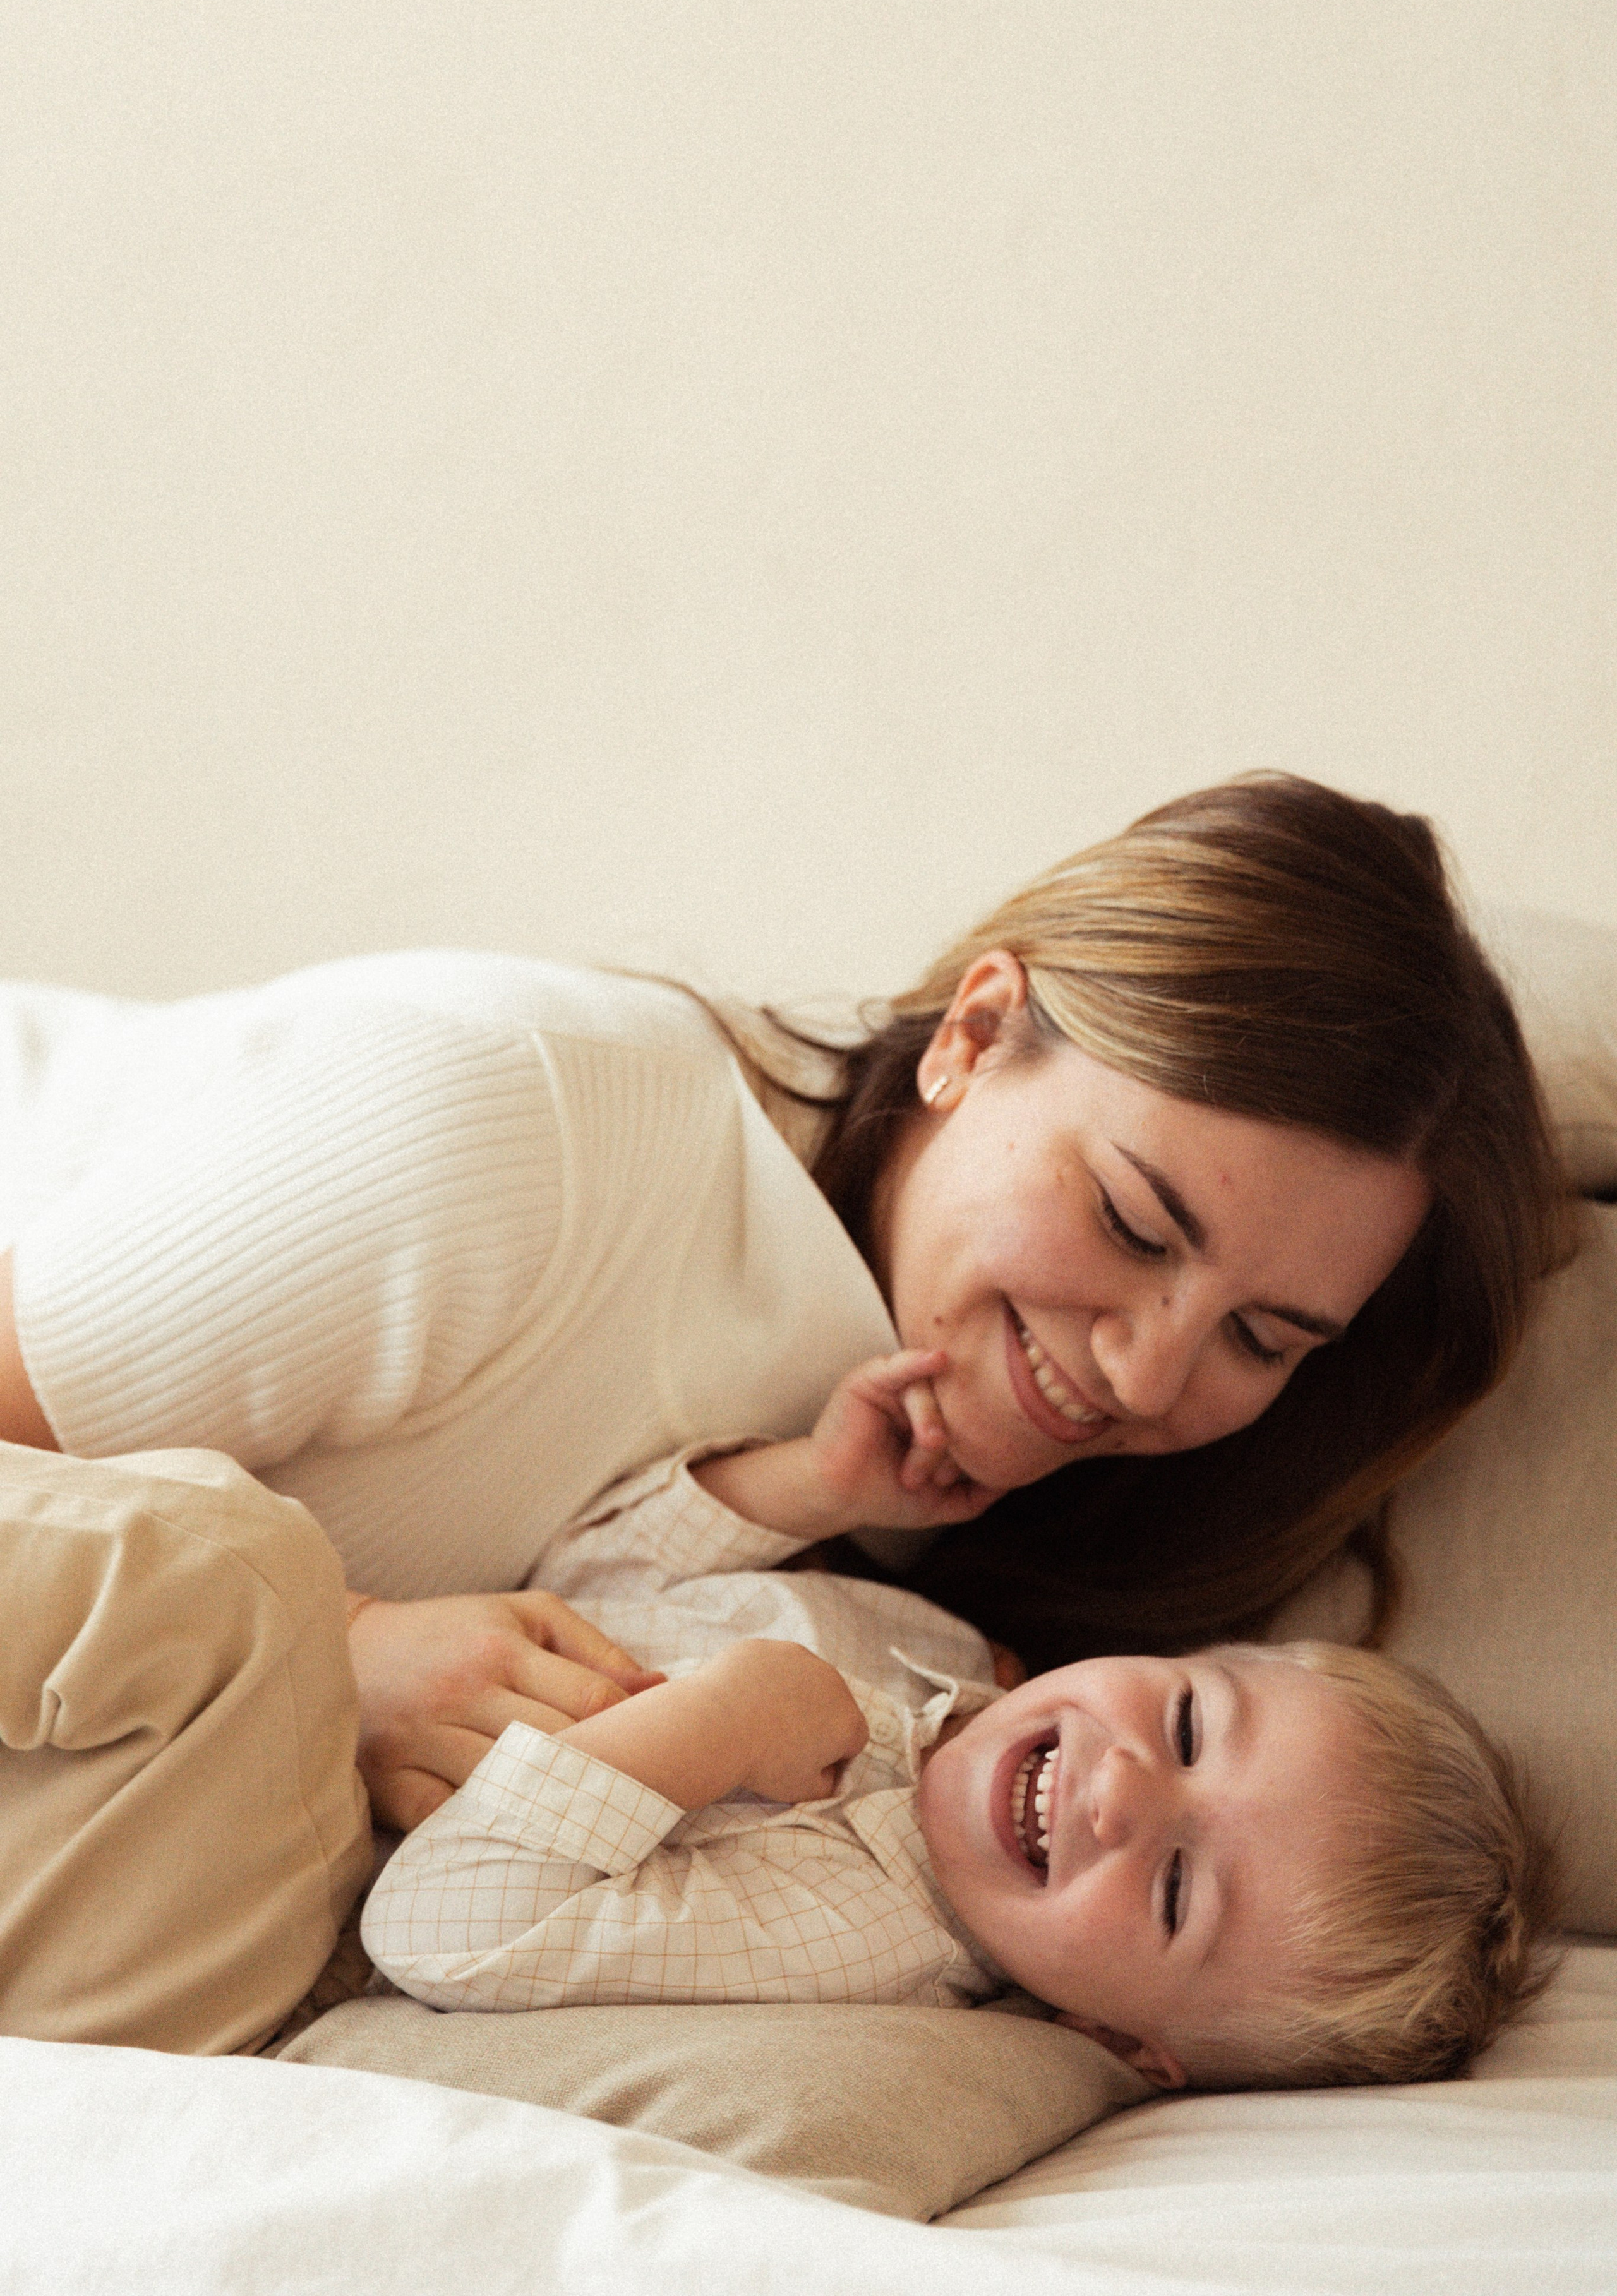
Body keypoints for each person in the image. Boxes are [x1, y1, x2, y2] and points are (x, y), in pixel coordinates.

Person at [0, 775, 1566, 2047]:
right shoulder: (508, 1120)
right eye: (1137, 1227)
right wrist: (334, 1647)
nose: (1149, 1377)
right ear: (968, 1036)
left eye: (1262, 1336)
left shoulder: (970, 1577)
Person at [360, 1357, 1556, 2091]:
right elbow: (574, 1592)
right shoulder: (929, 1650)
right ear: (1181, 1657)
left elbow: (431, 1922)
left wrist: (726, 1722)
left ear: (1120, 2038)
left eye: (1179, 1895)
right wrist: (808, 1489)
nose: (1128, 1793)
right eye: (1190, 1727)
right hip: (401, 1646)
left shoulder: (844, 1945)